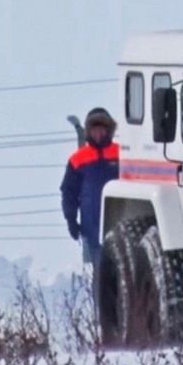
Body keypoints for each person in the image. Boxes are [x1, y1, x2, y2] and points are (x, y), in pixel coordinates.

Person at [61, 107, 120, 267]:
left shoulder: (122, 153)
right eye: (94, 129)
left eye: (101, 129)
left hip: (120, 224)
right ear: (89, 131)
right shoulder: (78, 159)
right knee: (100, 271)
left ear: (108, 130)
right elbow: (69, 192)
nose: (98, 133)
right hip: (92, 228)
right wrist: (71, 220)